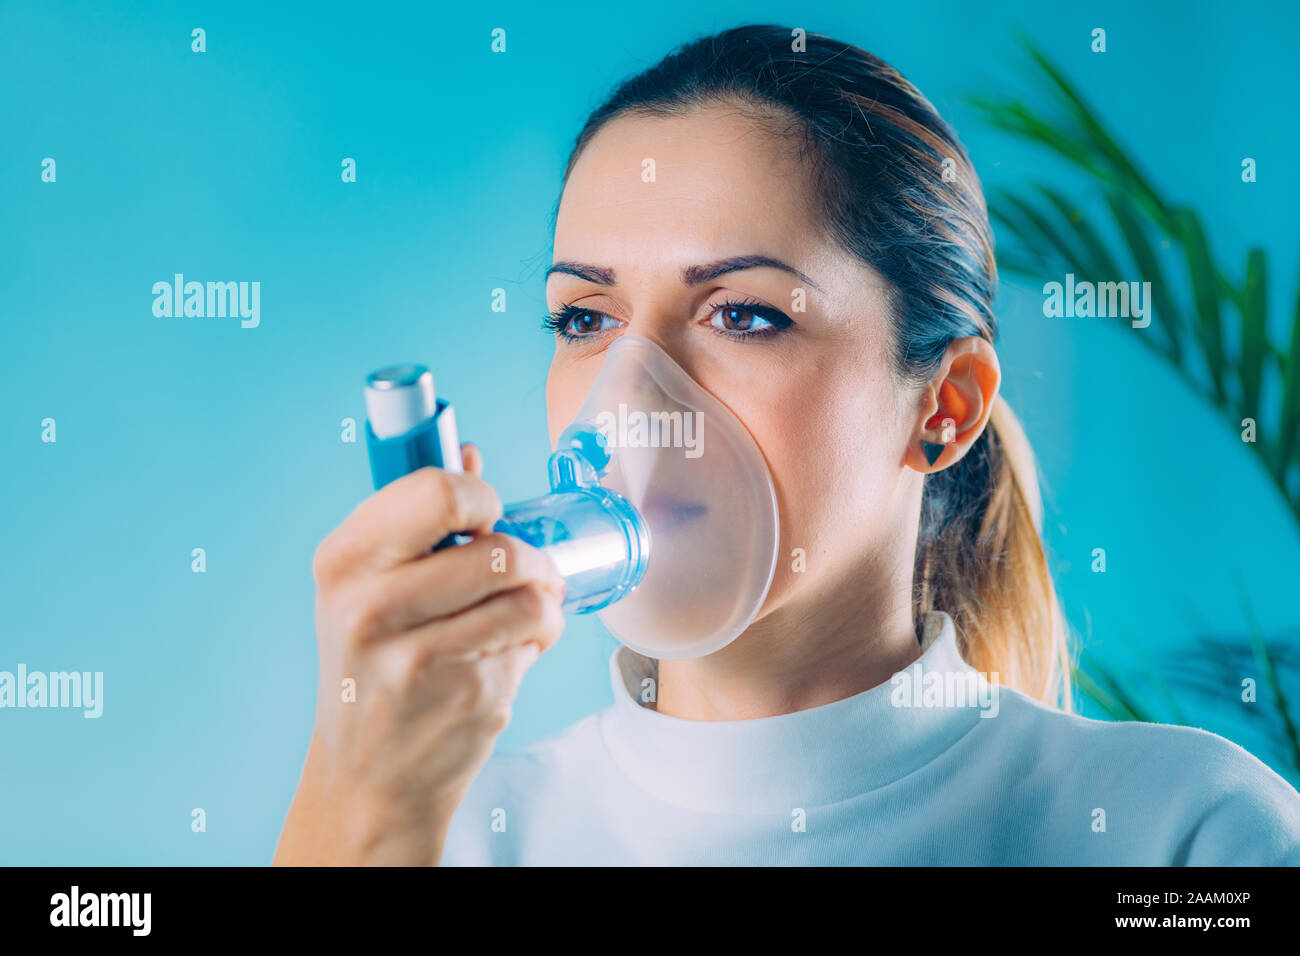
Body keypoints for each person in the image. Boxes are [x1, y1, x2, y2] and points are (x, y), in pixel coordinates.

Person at [273, 24, 1300, 866]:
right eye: (585, 319)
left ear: (943, 404)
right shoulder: (448, 836)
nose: (632, 403)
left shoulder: (1187, 834)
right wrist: (354, 815)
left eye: (745, 315)